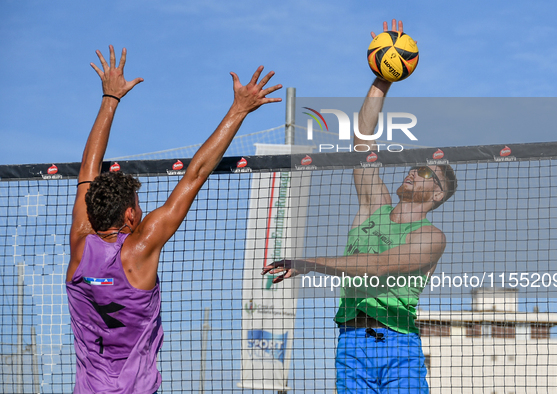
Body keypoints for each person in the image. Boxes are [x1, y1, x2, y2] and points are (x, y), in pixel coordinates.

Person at [66, 45, 282, 393]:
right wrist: (239, 109)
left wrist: (109, 97)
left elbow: (88, 171)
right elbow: (194, 175)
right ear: (130, 214)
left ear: (91, 213)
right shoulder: (139, 249)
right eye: (138, 203)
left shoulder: (79, 246)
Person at [262, 19, 457, 394]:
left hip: (399, 343)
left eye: (424, 173)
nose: (413, 173)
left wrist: (307, 263)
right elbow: (362, 142)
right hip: (352, 341)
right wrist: (383, 78)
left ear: (436, 196)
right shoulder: (374, 205)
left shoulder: (432, 237)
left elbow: (379, 266)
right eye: (415, 167)